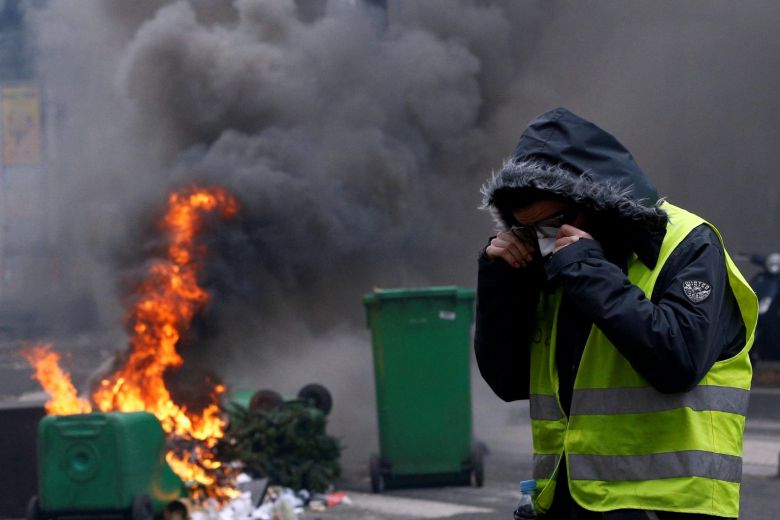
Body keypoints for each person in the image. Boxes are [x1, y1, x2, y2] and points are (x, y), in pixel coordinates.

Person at [475, 107, 758, 520]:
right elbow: (509, 380)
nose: (544, 240)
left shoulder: (686, 244)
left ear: (591, 198)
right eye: (529, 230)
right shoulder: (558, 260)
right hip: (569, 502)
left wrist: (591, 272)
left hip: (669, 506)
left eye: (552, 224)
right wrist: (501, 282)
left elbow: (677, 362)